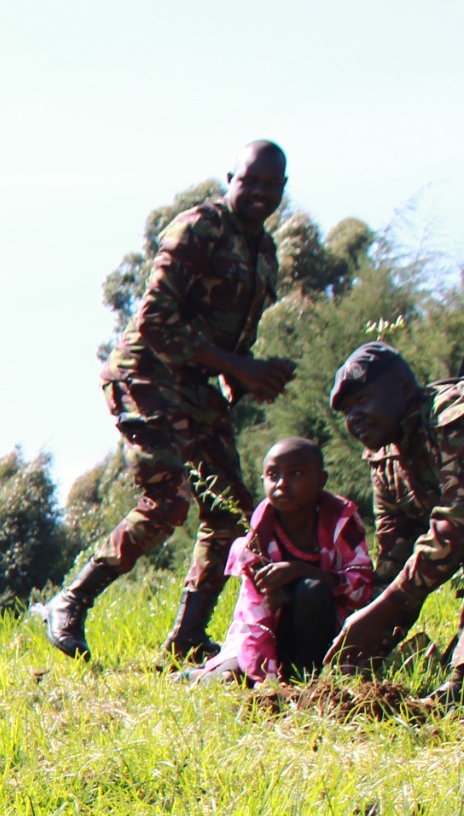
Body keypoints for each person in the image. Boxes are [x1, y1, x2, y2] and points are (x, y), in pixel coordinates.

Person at [42, 141, 295, 662]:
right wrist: (237, 367)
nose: (261, 194)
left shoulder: (264, 253)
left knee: (231, 513)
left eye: (273, 186)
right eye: (252, 182)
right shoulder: (200, 227)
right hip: (148, 372)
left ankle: (186, 639)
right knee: (168, 501)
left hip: (198, 387)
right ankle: (70, 600)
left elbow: (232, 342)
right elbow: (155, 319)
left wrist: (249, 376)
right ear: (232, 178)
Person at [320, 342, 464, 691]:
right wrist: (366, 648)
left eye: (363, 401)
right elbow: (395, 557)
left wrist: (384, 608)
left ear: (404, 389)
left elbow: (455, 527)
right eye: (347, 411)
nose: (354, 418)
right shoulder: (385, 458)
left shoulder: (451, 417)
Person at [188, 440, 371, 684]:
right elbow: (255, 616)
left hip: (325, 632)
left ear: (320, 480)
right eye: (273, 475)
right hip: (269, 633)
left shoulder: (341, 523)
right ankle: (194, 676)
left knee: (313, 590)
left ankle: (305, 677)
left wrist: (299, 570)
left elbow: (361, 589)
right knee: (230, 678)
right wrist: (265, 680)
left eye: (295, 473)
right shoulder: (256, 542)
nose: (282, 484)